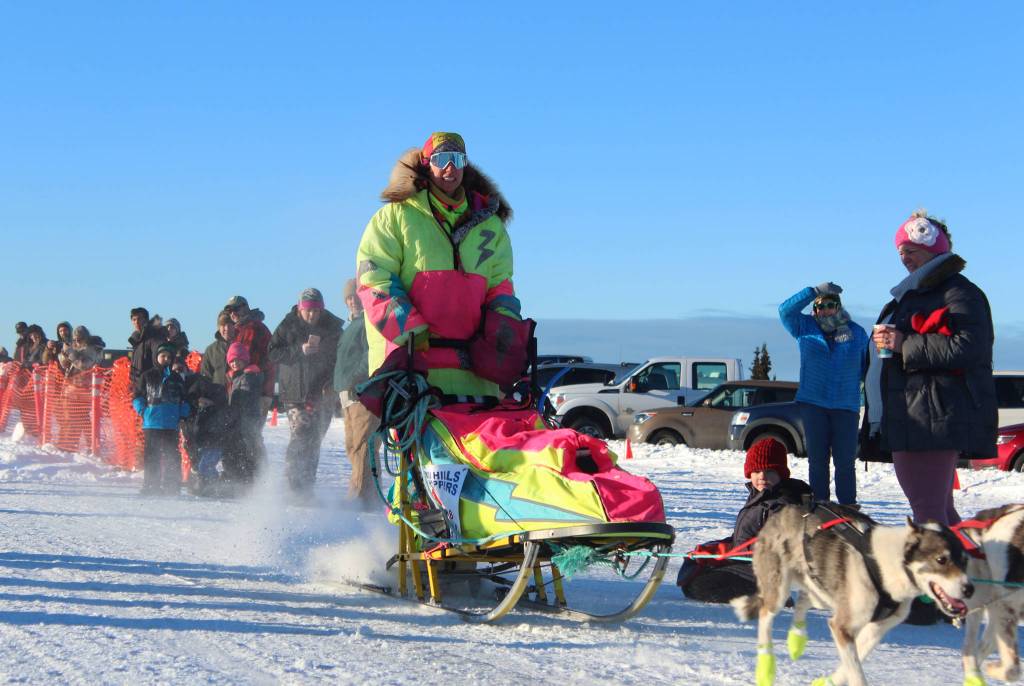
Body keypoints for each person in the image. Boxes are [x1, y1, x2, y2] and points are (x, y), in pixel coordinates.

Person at [355, 131, 525, 399]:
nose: (450, 167)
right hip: (411, 370)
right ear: (426, 163)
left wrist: (503, 334)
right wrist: (410, 331)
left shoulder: (490, 226)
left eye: (457, 159)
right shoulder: (395, 217)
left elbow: (500, 286)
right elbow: (374, 279)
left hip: (475, 374)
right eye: (442, 158)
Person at [862, 209, 996, 526]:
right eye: (900, 252)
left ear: (933, 250)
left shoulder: (957, 292)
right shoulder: (913, 294)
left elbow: (970, 346)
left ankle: (947, 575)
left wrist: (903, 343)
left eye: (911, 251)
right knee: (939, 512)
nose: (904, 258)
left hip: (930, 418)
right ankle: (968, 570)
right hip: (914, 414)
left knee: (929, 514)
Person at [677, 438, 812, 603]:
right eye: (757, 471)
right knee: (694, 571)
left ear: (780, 474)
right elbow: (743, 536)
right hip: (747, 563)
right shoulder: (759, 497)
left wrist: (729, 551)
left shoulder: (783, 504)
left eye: (769, 471)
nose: (762, 476)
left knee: (699, 585)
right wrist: (711, 549)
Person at [779, 283, 868, 504]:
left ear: (839, 308)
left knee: (845, 462)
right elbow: (784, 311)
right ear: (814, 309)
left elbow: (867, 367)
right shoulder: (804, 327)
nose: (826, 310)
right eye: (821, 306)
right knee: (818, 461)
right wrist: (814, 291)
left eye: (831, 305)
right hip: (813, 403)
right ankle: (820, 506)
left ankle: (848, 508)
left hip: (846, 405)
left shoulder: (856, 333)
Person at [269, 288, 343, 495]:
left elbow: (341, 359)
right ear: (300, 308)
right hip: (296, 393)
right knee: (300, 435)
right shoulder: (288, 325)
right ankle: (293, 485)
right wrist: (298, 351)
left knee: (315, 439)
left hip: (323, 393)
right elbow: (272, 352)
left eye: (316, 311)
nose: (312, 315)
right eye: (308, 310)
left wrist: (334, 382)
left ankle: (306, 486)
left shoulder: (333, 327)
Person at [333, 278, 377, 506]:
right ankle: (367, 496)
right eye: (349, 297)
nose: (352, 301)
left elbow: (370, 356)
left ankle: (359, 496)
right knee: (353, 446)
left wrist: (352, 380)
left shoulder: (369, 322)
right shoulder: (351, 326)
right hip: (348, 396)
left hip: (363, 394)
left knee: (362, 446)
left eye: (356, 296)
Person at [132, 342, 190, 495]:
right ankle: (151, 485)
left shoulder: (177, 378)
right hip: (152, 423)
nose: (165, 359)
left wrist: (183, 415)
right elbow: (137, 396)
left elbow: (185, 399)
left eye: (168, 357)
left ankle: (172, 486)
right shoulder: (147, 376)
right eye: (162, 356)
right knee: (152, 456)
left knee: (172, 455)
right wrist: (142, 410)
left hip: (171, 424)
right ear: (156, 357)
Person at [221, 341, 265, 487]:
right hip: (239, 421)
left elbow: (244, 399)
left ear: (244, 360)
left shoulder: (248, 376)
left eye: (237, 360)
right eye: (231, 361)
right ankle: (239, 480)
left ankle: (249, 482)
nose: (234, 363)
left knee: (247, 451)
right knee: (238, 451)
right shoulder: (236, 377)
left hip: (246, 421)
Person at [224, 295, 274, 410]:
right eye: (230, 311)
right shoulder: (235, 332)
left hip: (257, 390)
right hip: (238, 390)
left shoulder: (257, 329)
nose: (233, 313)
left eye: (236, 309)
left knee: (250, 426)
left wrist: (266, 394)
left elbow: (271, 359)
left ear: (245, 308)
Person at [128, 307, 165, 384]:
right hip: (136, 386)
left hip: (149, 385)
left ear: (146, 320)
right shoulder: (137, 341)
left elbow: (159, 362)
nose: (137, 322)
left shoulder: (154, 338)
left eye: (139, 319)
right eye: (134, 319)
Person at [200, 311, 234, 386]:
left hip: (238, 393)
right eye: (223, 325)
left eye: (230, 324)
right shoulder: (210, 350)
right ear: (218, 327)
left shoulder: (242, 346)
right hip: (216, 394)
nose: (227, 328)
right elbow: (205, 375)